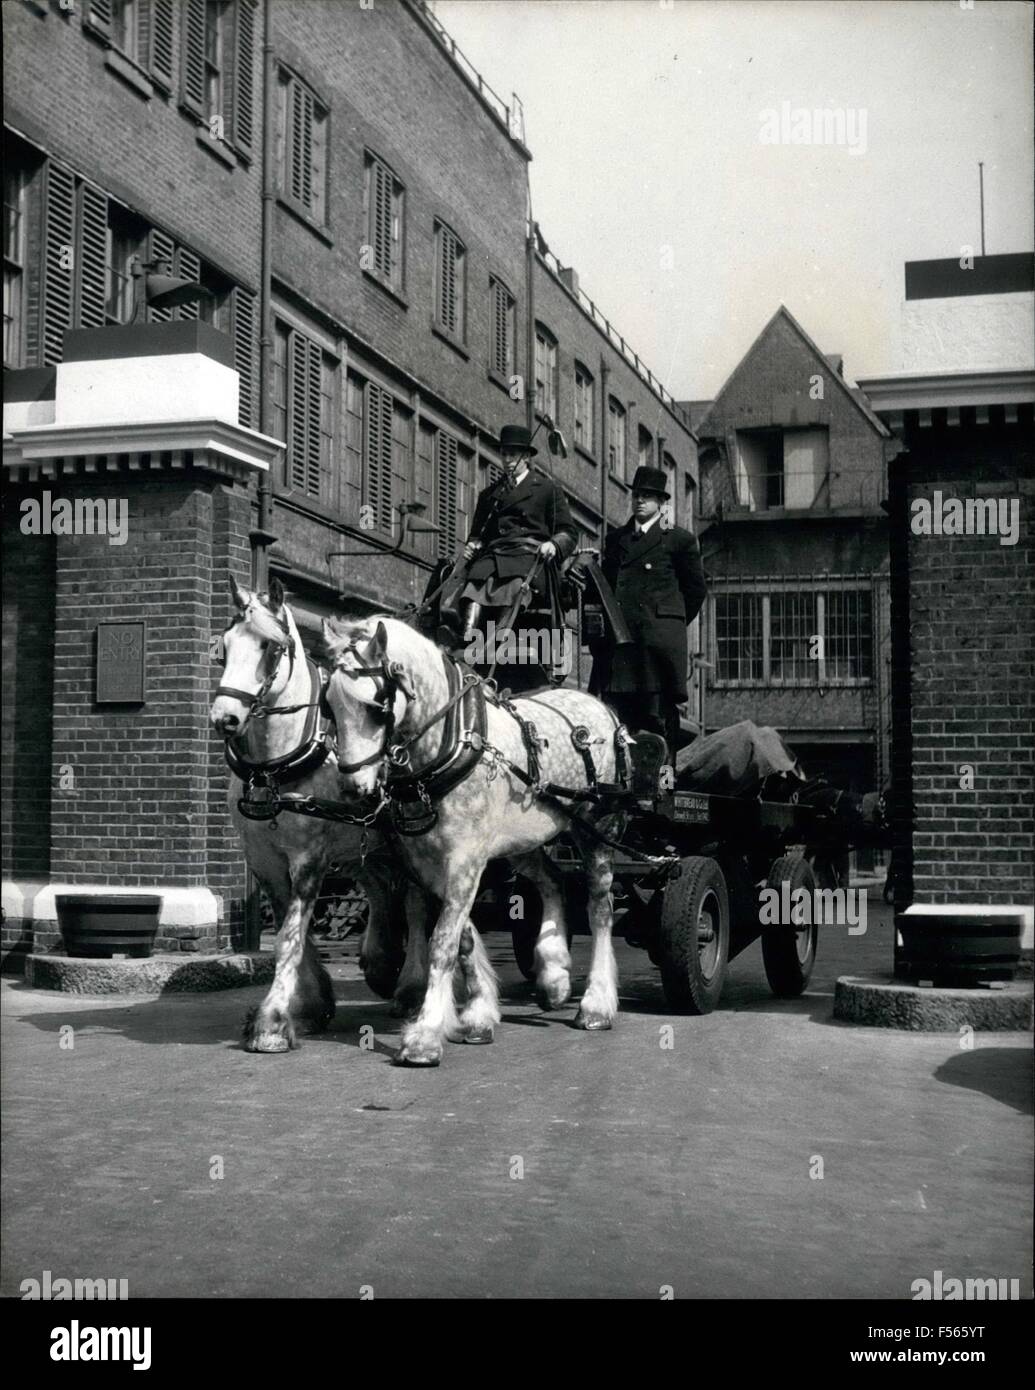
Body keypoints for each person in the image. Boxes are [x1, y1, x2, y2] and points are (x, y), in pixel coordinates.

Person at [588, 465, 707, 758]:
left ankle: (662, 790)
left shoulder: (679, 540)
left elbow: (695, 591)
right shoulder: (616, 540)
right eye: (637, 495)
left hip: (655, 649)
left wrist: (668, 624)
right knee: (615, 719)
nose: (640, 500)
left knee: (657, 722)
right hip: (620, 646)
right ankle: (619, 790)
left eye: (648, 496)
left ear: (661, 503)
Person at [457, 423, 577, 645]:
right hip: (493, 555)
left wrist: (554, 545)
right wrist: (473, 545)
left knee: (514, 582)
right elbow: (476, 534)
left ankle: (500, 638)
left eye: (513, 454)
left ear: (527, 458)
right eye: (504, 454)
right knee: (475, 579)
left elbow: (568, 532)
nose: (507, 460)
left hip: (530, 557)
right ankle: (467, 634)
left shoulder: (547, 489)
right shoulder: (489, 494)